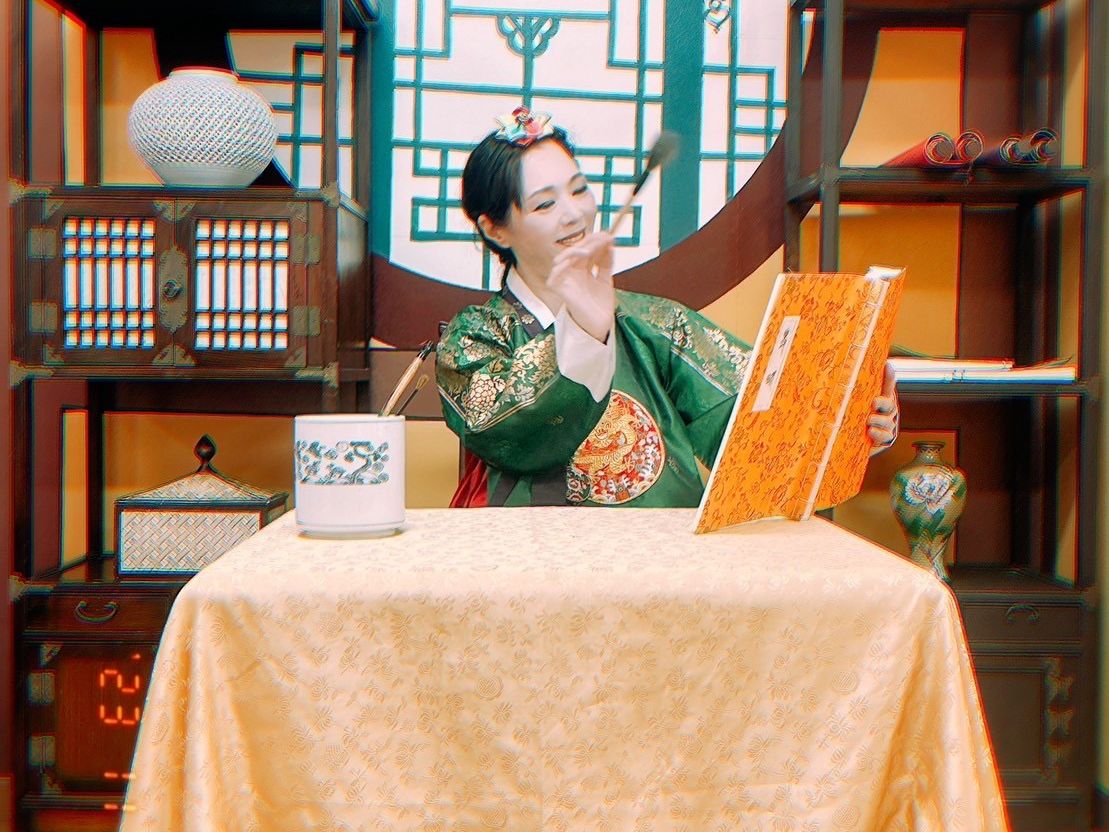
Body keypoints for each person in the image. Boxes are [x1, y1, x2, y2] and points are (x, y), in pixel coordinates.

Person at [436, 106, 899, 507]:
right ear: (495, 229)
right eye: (544, 205)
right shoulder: (474, 338)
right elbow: (511, 434)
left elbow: (749, 422)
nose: (574, 214)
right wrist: (582, 331)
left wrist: (849, 423)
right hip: (538, 565)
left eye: (578, 190)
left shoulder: (655, 323)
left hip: (666, 562)